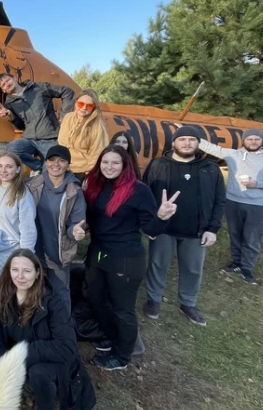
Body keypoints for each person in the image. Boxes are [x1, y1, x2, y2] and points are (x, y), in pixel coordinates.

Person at [83, 145, 179, 370]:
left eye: (115, 163)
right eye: (105, 162)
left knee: (122, 307)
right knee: (95, 297)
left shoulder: (138, 190)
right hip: (99, 252)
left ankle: (123, 355)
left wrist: (162, 216)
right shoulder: (96, 185)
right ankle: (111, 336)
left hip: (124, 257)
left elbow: (150, 229)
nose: (109, 167)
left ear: (125, 165)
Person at [0, 249, 96, 410]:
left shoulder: (53, 302)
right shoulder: (4, 299)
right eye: (15, 270)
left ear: (37, 273)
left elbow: (67, 347)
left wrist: (22, 354)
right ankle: (27, 390)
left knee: (38, 372)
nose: (20, 276)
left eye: (27, 271)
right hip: (27, 358)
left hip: (58, 361)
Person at [141, 126, 225, 326]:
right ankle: (153, 299)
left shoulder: (210, 168)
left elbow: (219, 200)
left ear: (198, 143)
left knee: (193, 269)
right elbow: (144, 196)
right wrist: (150, 224)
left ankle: (188, 302)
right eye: (182, 139)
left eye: (191, 139)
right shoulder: (158, 164)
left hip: (196, 230)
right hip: (164, 228)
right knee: (157, 264)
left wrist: (212, 229)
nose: (187, 143)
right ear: (174, 143)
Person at [191, 126, 263, 285]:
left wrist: (258, 184)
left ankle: (247, 267)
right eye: (249, 139)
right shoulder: (234, 154)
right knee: (235, 234)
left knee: (252, 237)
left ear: (262, 141)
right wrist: (189, 132)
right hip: (233, 201)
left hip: (258, 204)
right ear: (244, 140)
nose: (253, 142)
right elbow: (210, 147)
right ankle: (236, 263)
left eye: (256, 139)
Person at [26, 145, 86, 310]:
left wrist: (75, 231)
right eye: (52, 160)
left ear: (68, 165)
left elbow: (76, 223)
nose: (56, 164)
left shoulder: (74, 192)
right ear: (46, 162)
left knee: (60, 294)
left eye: (62, 160)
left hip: (58, 254)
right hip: (34, 251)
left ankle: (63, 324)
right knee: (33, 293)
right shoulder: (31, 186)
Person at [0, 152, 37, 327]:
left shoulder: (22, 194)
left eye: (9, 166)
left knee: (9, 294)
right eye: (0, 166)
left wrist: (25, 258)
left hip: (10, 253)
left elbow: (28, 229)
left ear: (18, 169)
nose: (3, 170)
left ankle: (13, 330)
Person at [0, 74, 75, 174]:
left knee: (51, 172)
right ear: (3, 90)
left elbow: (67, 92)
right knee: (11, 149)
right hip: (30, 139)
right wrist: (11, 118)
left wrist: (65, 117)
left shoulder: (38, 87)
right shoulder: (9, 104)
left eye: (7, 80)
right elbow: (20, 126)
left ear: (14, 78)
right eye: (3, 85)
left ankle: (45, 171)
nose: (7, 84)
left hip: (50, 137)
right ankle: (39, 167)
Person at [58, 89, 109, 178]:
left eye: (89, 106)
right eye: (81, 104)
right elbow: (62, 142)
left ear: (94, 107)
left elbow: (98, 152)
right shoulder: (68, 117)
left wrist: (90, 171)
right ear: (75, 103)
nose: (84, 108)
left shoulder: (98, 126)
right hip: (62, 166)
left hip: (81, 171)